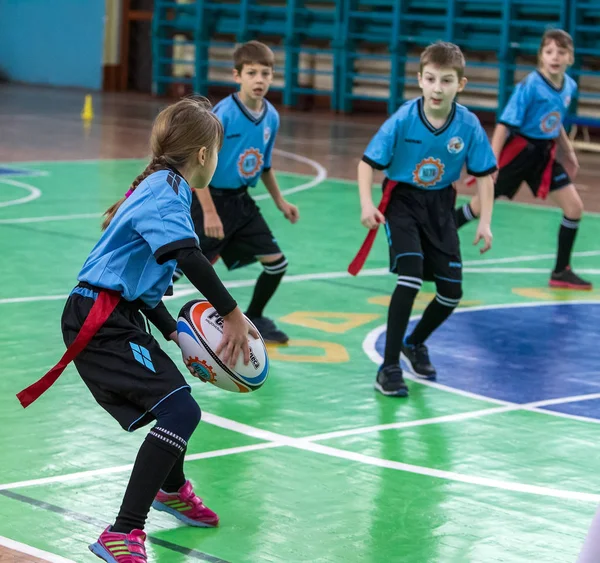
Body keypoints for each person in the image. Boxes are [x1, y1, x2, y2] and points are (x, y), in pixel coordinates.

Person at [17, 97, 257, 563]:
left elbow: (147, 292)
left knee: (175, 403)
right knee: (181, 412)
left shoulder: (165, 187)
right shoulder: (167, 190)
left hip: (115, 314)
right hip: (100, 317)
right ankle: (124, 532)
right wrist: (230, 314)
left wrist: (179, 337)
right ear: (205, 155)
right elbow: (187, 257)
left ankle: (170, 489)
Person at [350, 42, 495, 397]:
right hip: (402, 202)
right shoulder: (403, 118)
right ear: (419, 80)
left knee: (451, 292)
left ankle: (414, 343)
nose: (437, 87)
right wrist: (367, 204)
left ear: (460, 84)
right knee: (410, 277)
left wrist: (485, 221)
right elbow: (366, 164)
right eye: (430, 79)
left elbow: (487, 177)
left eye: (446, 81)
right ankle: (388, 368)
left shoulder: (468, 125)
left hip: (441, 205)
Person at [175, 40, 299, 344]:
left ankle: (255, 315)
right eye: (252, 73)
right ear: (237, 76)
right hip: (210, 199)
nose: (259, 80)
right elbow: (198, 164)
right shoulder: (223, 114)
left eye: (265, 74)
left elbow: (265, 165)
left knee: (277, 264)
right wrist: (210, 212)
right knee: (176, 271)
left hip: (242, 203)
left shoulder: (271, 116)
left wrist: (280, 201)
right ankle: (136, 310)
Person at [455, 29, 590, 290]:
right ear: (541, 56)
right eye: (549, 51)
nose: (555, 57)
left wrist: (569, 151)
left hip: (544, 155)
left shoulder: (569, 86)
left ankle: (561, 271)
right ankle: (432, 240)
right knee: (478, 207)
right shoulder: (529, 86)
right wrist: (491, 163)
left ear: (570, 58)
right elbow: (504, 125)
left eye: (561, 52)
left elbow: (556, 120)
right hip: (519, 152)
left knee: (574, 208)